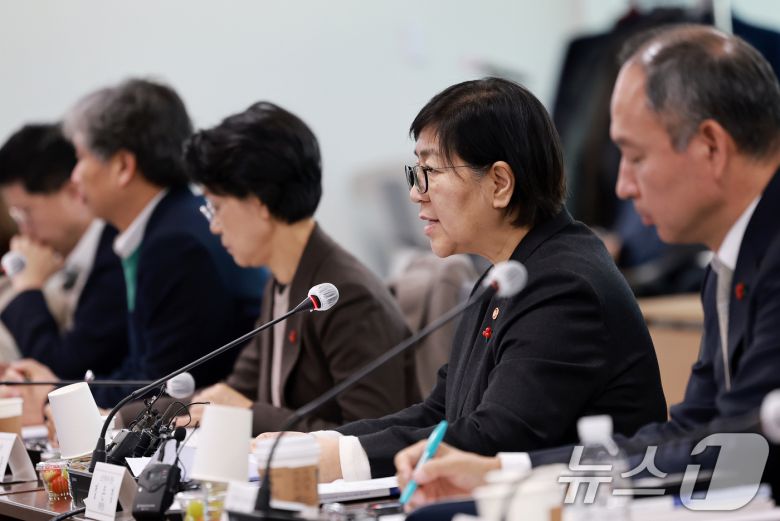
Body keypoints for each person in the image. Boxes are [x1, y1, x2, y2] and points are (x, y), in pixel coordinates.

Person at [394, 25, 780, 506]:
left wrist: (513, 476)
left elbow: (740, 451)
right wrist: (507, 473)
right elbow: (690, 434)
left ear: (711, 148)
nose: (622, 186)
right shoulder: (731, 262)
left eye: (635, 156)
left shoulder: (565, 281)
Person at [260, 77, 667, 482]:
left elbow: (497, 435)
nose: (416, 193)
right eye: (416, 171)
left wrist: (344, 458)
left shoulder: (564, 286)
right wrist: (321, 444)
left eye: (431, 171)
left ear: (499, 184)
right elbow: (441, 412)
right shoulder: (506, 273)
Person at [182, 101, 419, 435]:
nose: (214, 226)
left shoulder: (346, 296)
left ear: (259, 202)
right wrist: (122, 416)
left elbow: (371, 435)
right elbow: (232, 392)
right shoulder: (283, 281)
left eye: (216, 207)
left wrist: (248, 412)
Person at [57, 78, 266, 408]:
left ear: (123, 166)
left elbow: (158, 385)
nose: (74, 176)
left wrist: (60, 398)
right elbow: (141, 369)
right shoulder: (167, 224)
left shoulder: (176, 245)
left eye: (81, 158)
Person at [0, 123, 128, 425]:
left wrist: (28, 289)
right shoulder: (74, 257)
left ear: (73, 192)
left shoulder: (116, 256)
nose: (22, 230)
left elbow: (64, 368)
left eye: (25, 212)